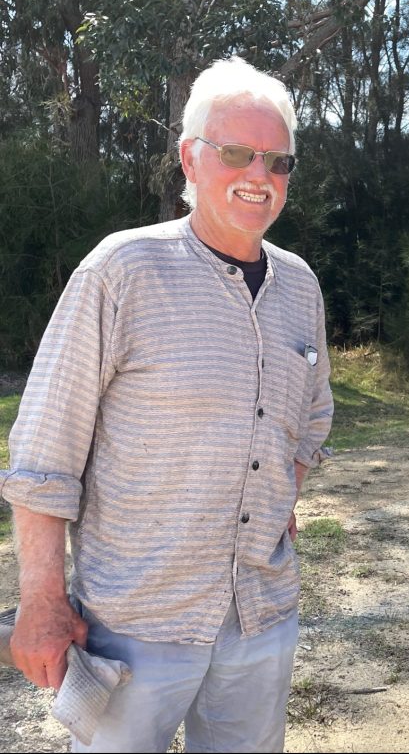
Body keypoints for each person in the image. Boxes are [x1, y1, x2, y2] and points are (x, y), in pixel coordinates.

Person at [0, 56, 333, 752]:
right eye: (237, 153)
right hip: (132, 628)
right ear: (190, 157)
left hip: (260, 620)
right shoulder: (120, 271)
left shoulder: (301, 287)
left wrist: (275, 495)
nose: (259, 176)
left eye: (278, 161)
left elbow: (310, 425)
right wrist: (41, 601)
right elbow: (43, 452)